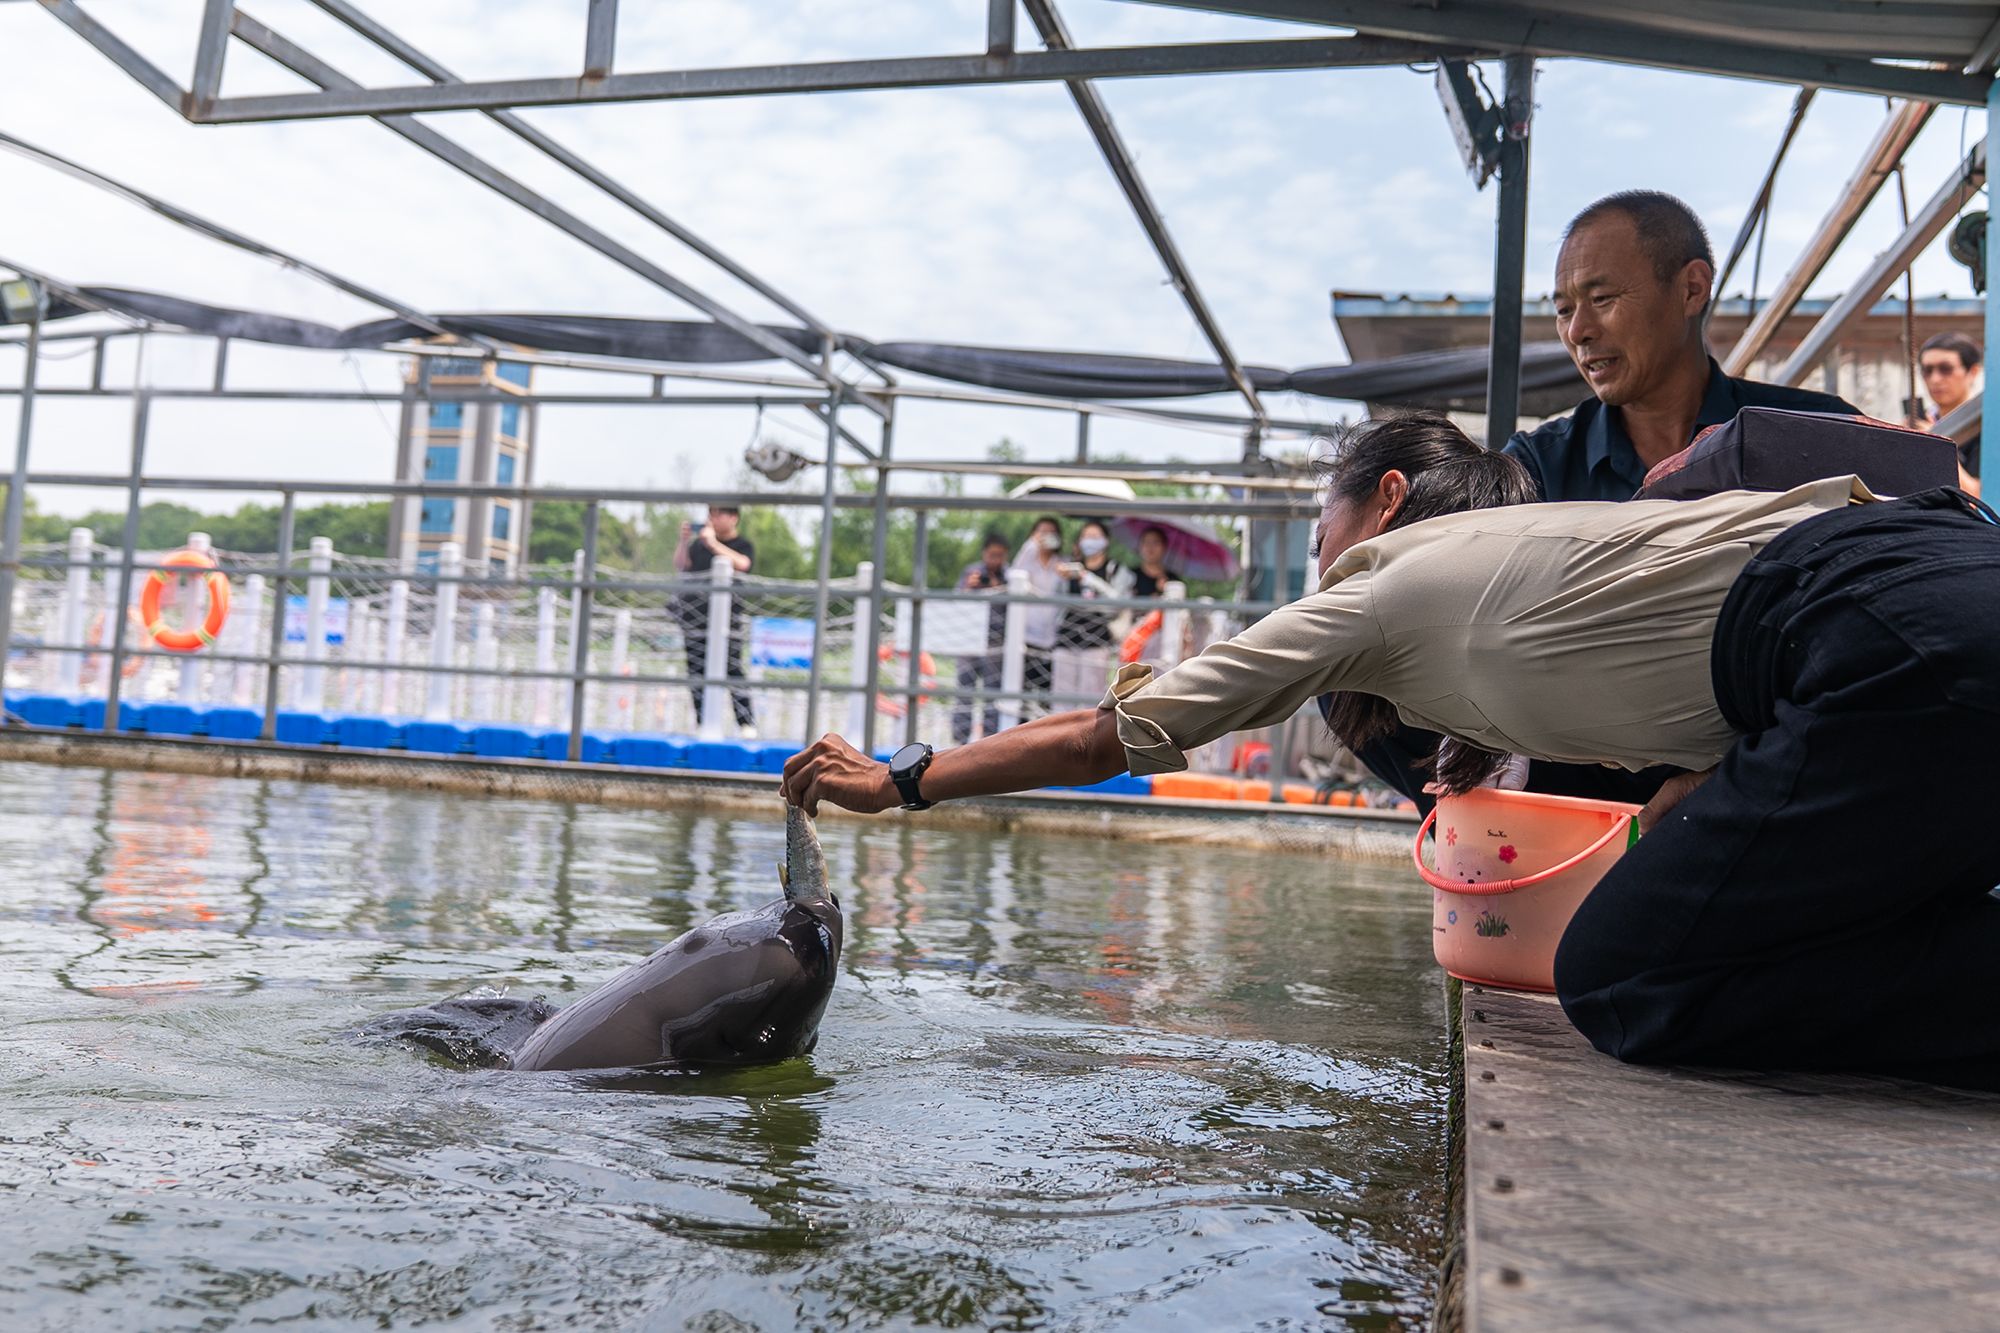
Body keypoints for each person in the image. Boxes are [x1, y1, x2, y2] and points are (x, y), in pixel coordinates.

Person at [786, 411, 2000, 1088]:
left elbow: (1107, 734)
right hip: (1924, 596)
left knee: (1622, 975)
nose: (1315, 541)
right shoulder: (1530, 555)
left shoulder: (1373, 590)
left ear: (1379, 501)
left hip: (1878, 632)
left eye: (1320, 511)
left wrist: (901, 778)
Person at [1504, 190, 1857, 503]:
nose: (1577, 331)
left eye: (1602, 298)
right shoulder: (1536, 470)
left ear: (1691, 289)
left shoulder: (1824, 437)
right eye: (1564, 310)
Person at [674, 504, 757, 736]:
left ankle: (746, 723)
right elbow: (681, 565)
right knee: (696, 670)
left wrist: (712, 543)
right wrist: (684, 541)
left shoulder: (742, 545)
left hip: (728, 619)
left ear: (734, 518)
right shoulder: (698, 546)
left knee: (732, 668)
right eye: (711, 513)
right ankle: (702, 722)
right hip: (694, 617)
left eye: (719, 514)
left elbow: (744, 564)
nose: (713, 518)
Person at [1051, 519, 1133, 702]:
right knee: (1061, 699)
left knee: (1091, 700)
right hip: (1066, 638)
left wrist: (1087, 578)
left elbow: (1117, 604)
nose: (1090, 541)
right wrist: (1060, 577)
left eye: (1095, 537)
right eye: (1086, 536)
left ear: (1106, 541)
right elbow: (1055, 601)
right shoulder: (1069, 567)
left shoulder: (1116, 570)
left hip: (1097, 641)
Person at [951, 532, 1011, 745]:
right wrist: (969, 587)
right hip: (970, 638)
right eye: (992, 554)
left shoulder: (1010, 577)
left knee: (992, 693)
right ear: (984, 553)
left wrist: (998, 587)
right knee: (964, 689)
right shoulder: (971, 572)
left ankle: (989, 740)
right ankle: (960, 738)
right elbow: (956, 599)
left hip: (996, 641)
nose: (995, 559)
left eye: (1000, 555)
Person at [1011, 516, 1064, 714]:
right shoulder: (1027, 560)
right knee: (1022, 697)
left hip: (1053, 638)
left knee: (1046, 698)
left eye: (1051, 532)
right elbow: (1014, 575)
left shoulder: (1062, 563)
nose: (1047, 536)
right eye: (1042, 532)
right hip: (1027, 638)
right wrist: (1031, 545)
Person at [1919, 330, 1982, 492]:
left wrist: (1936, 446)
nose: (1935, 379)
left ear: (1973, 372)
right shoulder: (1920, 422)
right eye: (1927, 370)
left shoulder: (1984, 427)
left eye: (1946, 369)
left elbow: (1977, 497)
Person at [1131, 526, 1179, 599]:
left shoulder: (1173, 580)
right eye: (1146, 542)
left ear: (1164, 547)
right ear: (1140, 546)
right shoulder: (1130, 576)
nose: (1150, 547)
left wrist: (1164, 591)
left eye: (1155, 543)